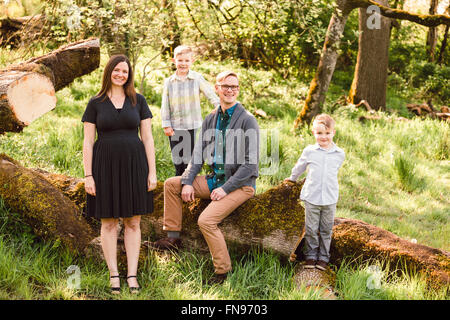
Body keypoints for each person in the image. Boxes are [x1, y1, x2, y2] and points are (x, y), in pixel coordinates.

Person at [152, 70, 259, 285]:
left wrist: (226, 189)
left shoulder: (247, 120)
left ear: (237, 90)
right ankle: (173, 238)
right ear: (217, 88)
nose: (230, 90)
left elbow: (250, 165)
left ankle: (222, 272)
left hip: (240, 185)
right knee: (173, 184)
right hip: (214, 179)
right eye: (226, 86)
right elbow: (198, 155)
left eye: (234, 87)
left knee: (206, 221)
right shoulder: (211, 118)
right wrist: (188, 181)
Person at [82, 54, 157, 294]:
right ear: (109, 72)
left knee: (133, 221)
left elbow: (147, 138)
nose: (120, 75)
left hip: (135, 165)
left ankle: (132, 275)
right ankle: (114, 274)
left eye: (125, 71)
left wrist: (152, 172)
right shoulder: (95, 103)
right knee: (109, 221)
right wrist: (88, 175)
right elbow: (87, 142)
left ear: (129, 75)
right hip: (104, 166)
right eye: (117, 70)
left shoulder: (139, 100)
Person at [285, 114, 345, 271]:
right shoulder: (309, 151)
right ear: (313, 133)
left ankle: (324, 257)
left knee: (326, 229)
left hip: (330, 198)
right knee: (311, 229)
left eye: (327, 133)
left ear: (333, 132)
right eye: (319, 133)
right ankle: (311, 256)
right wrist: (292, 178)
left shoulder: (339, 153)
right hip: (312, 197)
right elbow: (300, 167)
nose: (323, 137)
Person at [161, 45, 220, 176]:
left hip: (191, 125)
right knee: (177, 159)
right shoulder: (169, 82)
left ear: (192, 61)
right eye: (180, 60)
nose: (183, 63)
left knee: (189, 159)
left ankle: (189, 183)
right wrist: (166, 124)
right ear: (174, 60)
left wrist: (218, 105)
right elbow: (165, 104)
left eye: (186, 61)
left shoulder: (196, 78)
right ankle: (178, 182)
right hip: (174, 126)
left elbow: (210, 94)